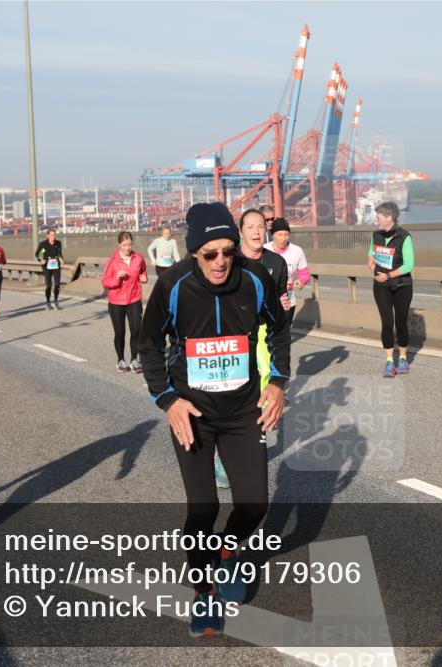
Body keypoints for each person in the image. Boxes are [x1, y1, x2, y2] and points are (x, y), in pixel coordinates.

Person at [139, 202, 289, 638]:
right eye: (210, 254)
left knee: (254, 504)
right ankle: (203, 595)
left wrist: (277, 381)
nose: (221, 261)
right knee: (203, 508)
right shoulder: (173, 285)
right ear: (193, 253)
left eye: (227, 251)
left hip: (244, 411)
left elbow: (279, 329)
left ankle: (226, 553)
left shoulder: (255, 279)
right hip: (194, 414)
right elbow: (148, 345)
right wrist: (168, 400)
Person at [211, 209, 292, 489]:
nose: (257, 232)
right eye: (251, 227)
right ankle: (222, 454)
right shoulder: (232, 260)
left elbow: (282, 300)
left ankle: (241, 451)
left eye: (261, 226)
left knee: (261, 394)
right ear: (241, 231)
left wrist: (284, 307)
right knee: (231, 394)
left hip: (263, 335)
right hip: (234, 337)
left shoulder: (277, 263)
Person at [368, 201, 415, 377]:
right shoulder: (376, 236)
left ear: (389, 218)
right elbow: (370, 259)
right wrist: (373, 269)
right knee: (387, 323)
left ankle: (402, 358)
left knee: (400, 323)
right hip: (381, 286)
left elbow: (409, 265)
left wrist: (388, 275)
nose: (376, 221)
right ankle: (389, 361)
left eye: (379, 217)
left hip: (402, 286)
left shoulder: (404, 237)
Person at [101, 231, 148, 373]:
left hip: (134, 298)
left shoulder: (138, 258)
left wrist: (143, 276)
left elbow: (143, 271)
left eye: (129, 244)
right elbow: (105, 282)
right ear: (119, 244)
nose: (127, 248)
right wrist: (117, 277)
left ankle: (134, 360)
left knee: (136, 330)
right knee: (120, 332)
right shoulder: (113, 261)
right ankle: (121, 360)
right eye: (124, 245)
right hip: (116, 301)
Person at [264, 217, 309, 331]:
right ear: (272, 235)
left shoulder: (297, 251)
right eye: (280, 235)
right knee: (268, 333)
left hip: (288, 301)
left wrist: (302, 281)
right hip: (267, 301)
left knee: (283, 333)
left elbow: (304, 273)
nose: (283, 238)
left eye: (286, 235)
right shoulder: (264, 250)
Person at [36, 228, 64, 310]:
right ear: (47, 236)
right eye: (51, 235)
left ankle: (55, 301)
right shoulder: (44, 244)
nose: (53, 237)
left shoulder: (58, 243)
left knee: (58, 284)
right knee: (49, 285)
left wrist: (61, 259)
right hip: (47, 266)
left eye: (54, 235)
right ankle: (48, 302)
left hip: (56, 265)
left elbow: (59, 253)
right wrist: (41, 260)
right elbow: (38, 254)